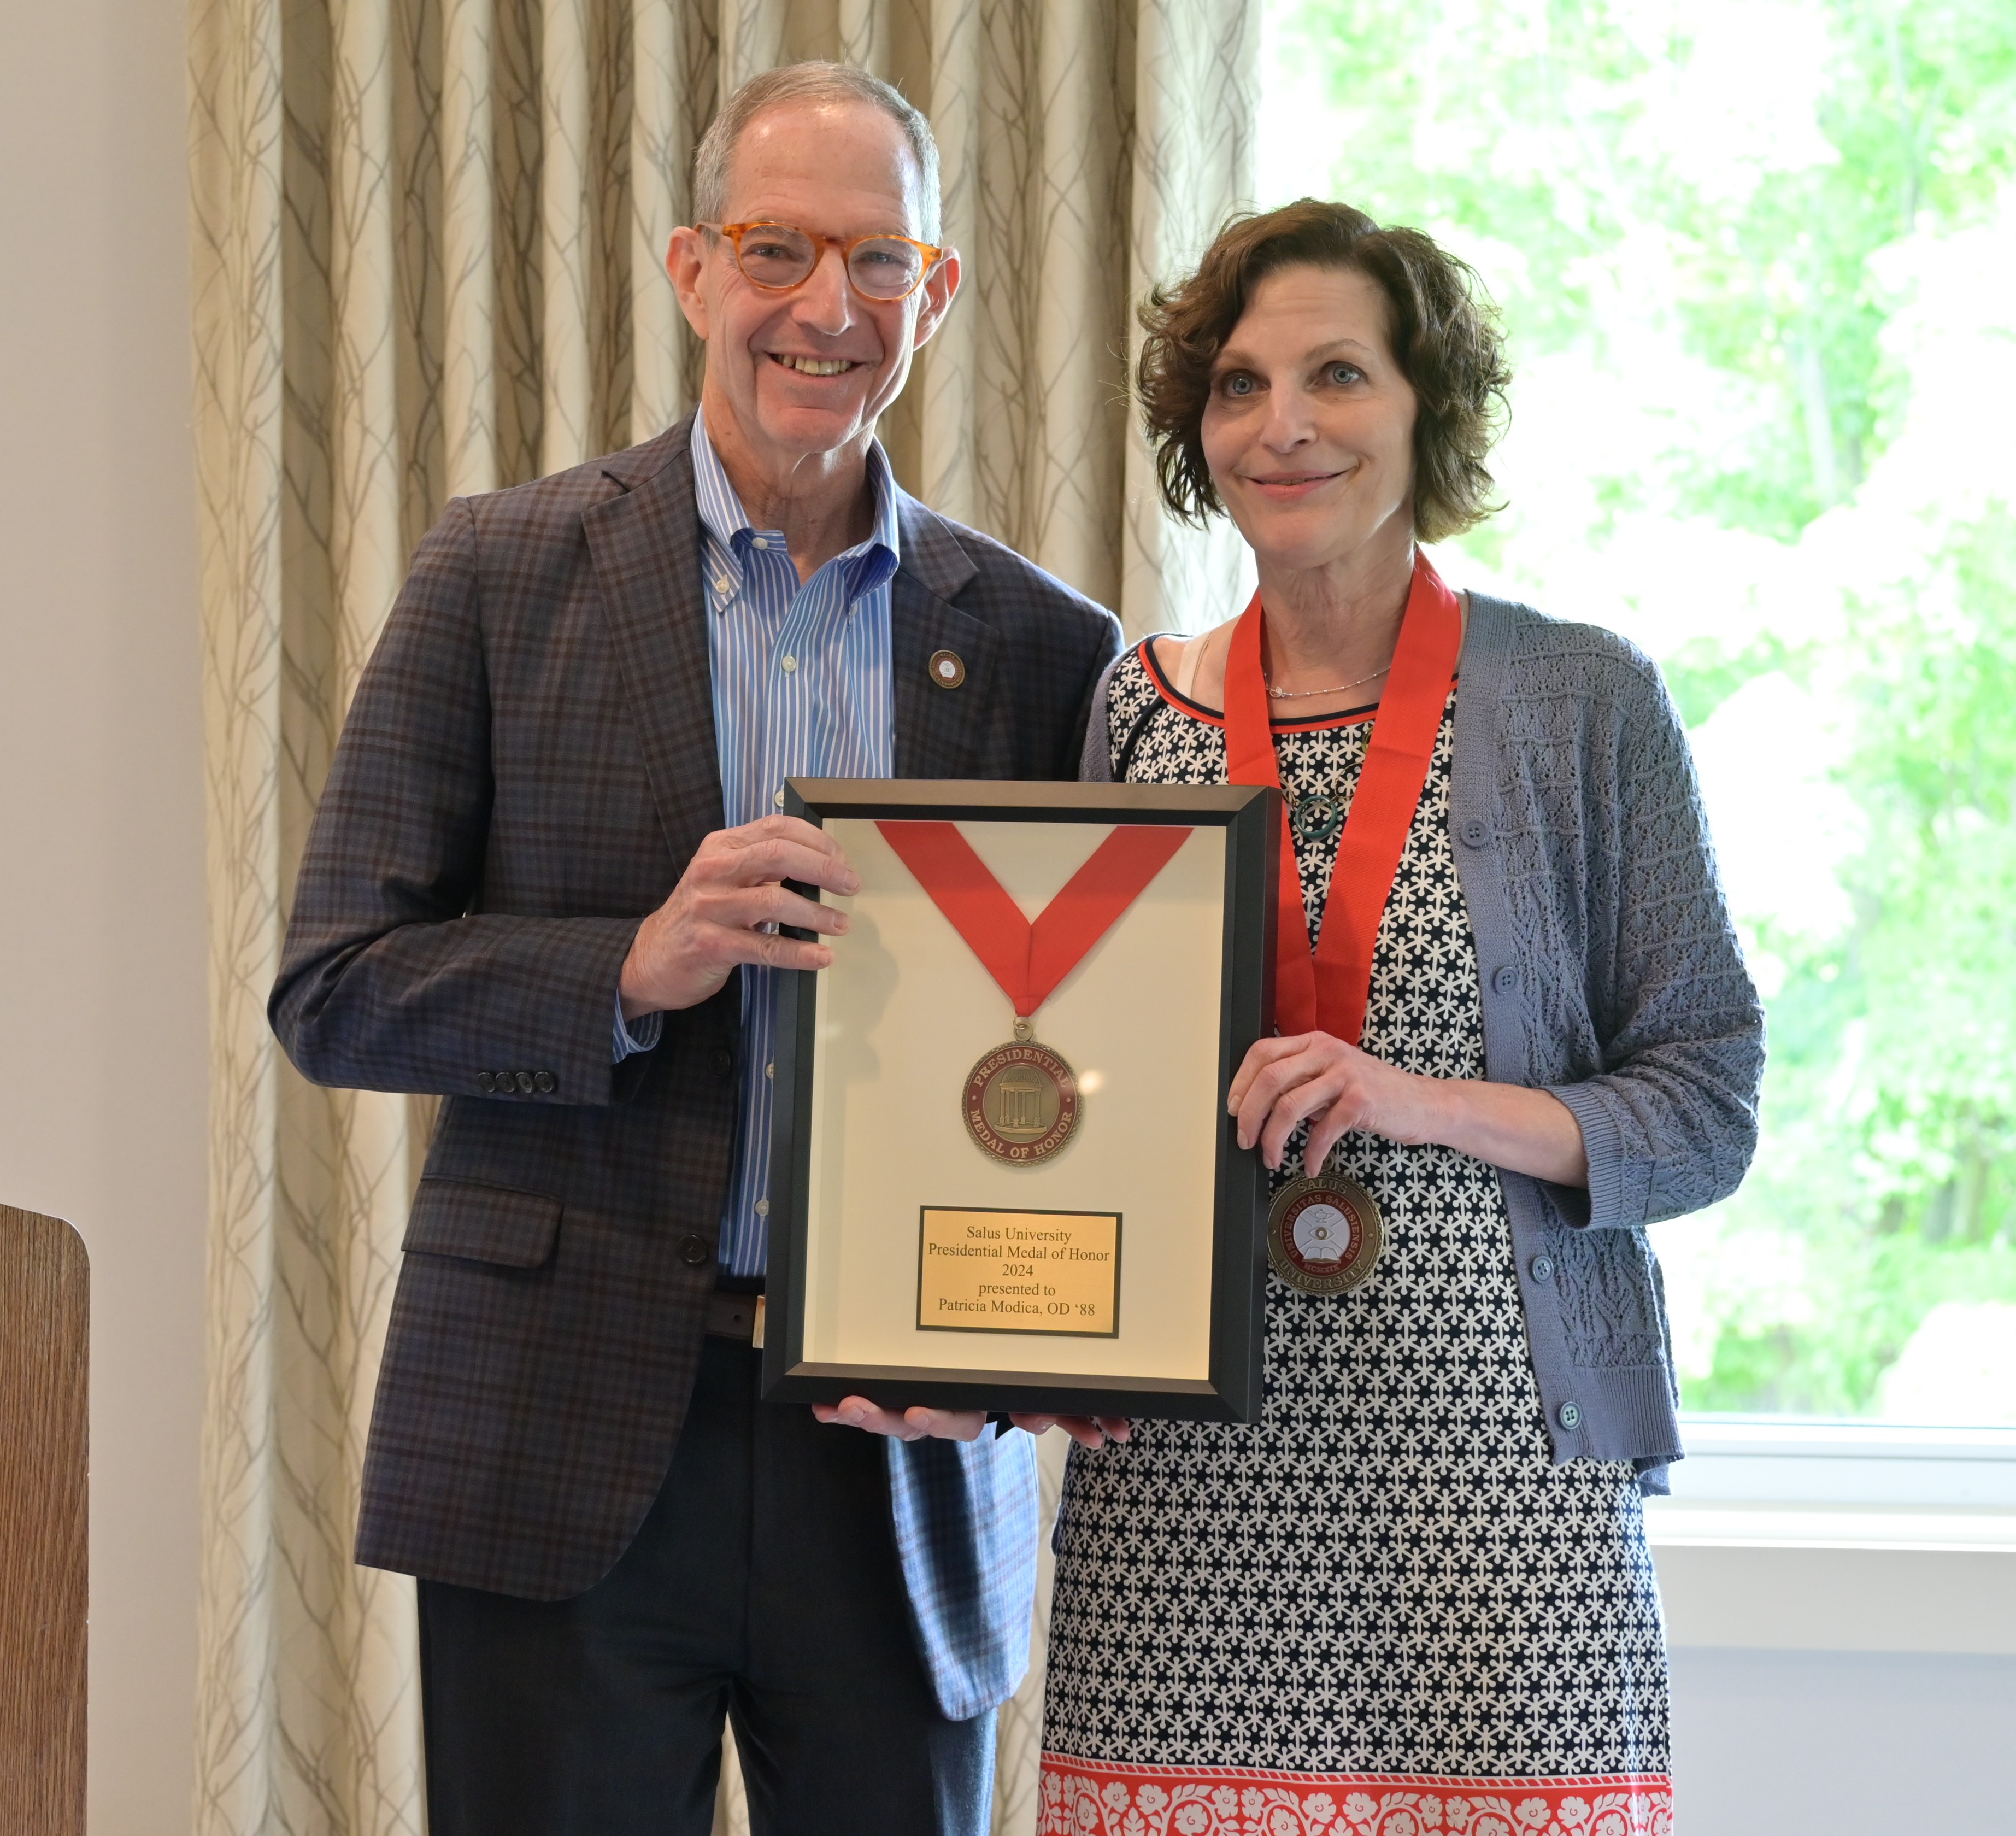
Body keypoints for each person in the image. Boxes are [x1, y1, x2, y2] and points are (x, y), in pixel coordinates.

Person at [269, 61, 1121, 1836]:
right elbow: (334, 986)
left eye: (877, 260)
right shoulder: (497, 575)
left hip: (895, 1459)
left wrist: (1060, 1337)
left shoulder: (1044, 644)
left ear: (937, 293)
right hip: (557, 1437)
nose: (826, 306)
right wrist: (628, 966)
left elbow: (1086, 1052)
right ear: (688, 270)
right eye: (775, 248)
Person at [1037, 200, 1764, 1831]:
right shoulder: (1134, 713)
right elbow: (1072, 1100)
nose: (1282, 425)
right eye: (1236, 385)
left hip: (1502, 1514)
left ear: (1427, 408)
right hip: (1183, 1524)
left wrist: (1412, 1096)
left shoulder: (1583, 700)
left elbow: (1707, 1100)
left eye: (1337, 375)